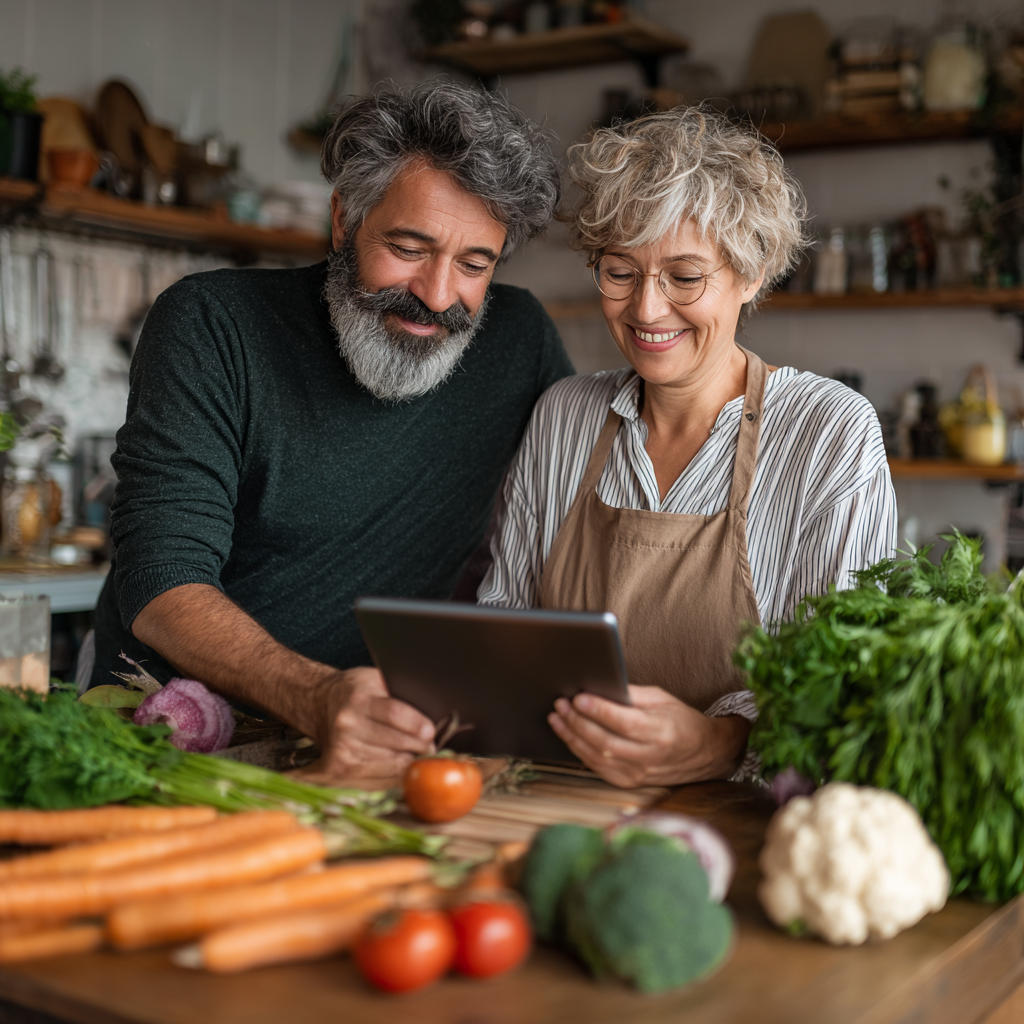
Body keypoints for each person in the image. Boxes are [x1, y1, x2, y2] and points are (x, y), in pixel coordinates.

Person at [90, 80, 573, 779]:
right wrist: (315, 695)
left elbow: (588, 499)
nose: (438, 296)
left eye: (475, 264)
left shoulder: (519, 339)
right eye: (409, 247)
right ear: (344, 219)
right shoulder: (211, 327)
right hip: (170, 734)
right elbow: (162, 578)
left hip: (372, 743)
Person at [479, 106, 897, 788]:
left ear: (752, 272)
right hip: (562, 797)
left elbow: (846, 693)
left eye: (684, 276)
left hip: (741, 819)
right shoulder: (564, 416)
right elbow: (504, 628)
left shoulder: (829, 433)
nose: (646, 310)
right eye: (620, 272)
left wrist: (722, 742)